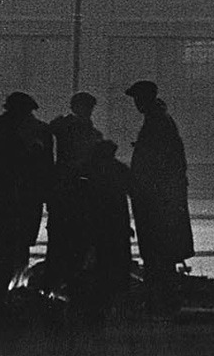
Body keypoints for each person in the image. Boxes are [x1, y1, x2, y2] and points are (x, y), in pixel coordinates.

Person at [0, 91, 55, 306]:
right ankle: (14, 288)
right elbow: (46, 167)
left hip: (0, 197)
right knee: (20, 246)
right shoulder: (40, 130)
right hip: (27, 198)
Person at [125, 80, 194, 315]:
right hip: (158, 197)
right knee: (161, 251)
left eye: (138, 99)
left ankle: (161, 301)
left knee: (157, 251)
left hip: (155, 199)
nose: (136, 104)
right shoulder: (159, 120)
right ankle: (162, 299)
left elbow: (158, 162)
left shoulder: (157, 123)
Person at [45, 91, 103, 289]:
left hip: (65, 189)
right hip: (76, 190)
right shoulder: (87, 132)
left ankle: (58, 279)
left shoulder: (64, 126)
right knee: (77, 237)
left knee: (62, 238)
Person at [81, 139, 133, 302]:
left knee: (101, 259)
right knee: (118, 258)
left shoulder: (91, 170)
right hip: (117, 223)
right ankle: (117, 294)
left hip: (99, 223)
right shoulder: (119, 170)